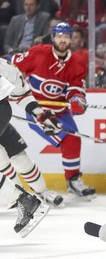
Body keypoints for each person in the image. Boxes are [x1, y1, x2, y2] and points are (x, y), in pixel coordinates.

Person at [10, 21, 97, 200]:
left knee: (74, 141)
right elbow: (12, 66)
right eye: (59, 36)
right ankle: (70, 182)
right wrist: (8, 87)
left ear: (71, 39)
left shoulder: (77, 62)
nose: (63, 40)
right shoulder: (38, 53)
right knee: (70, 139)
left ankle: (73, 181)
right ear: (53, 37)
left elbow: (75, 88)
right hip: (39, 111)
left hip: (61, 111)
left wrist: (77, 100)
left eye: (66, 36)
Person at [0, 57, 64, 236]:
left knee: (20, 158)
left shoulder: (3, 66)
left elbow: (21, 93)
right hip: (2, 111)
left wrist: (41, 115)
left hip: (1, 110)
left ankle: (29, 197)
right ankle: (20, 196)